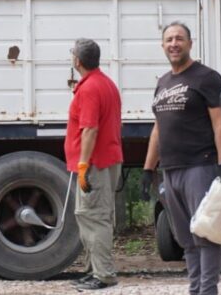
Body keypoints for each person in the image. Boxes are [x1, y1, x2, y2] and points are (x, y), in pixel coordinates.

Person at [141, 22, 221, 295]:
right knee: (186, 238)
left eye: (179, 39)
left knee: (206, 234)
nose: (174, 44)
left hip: (199, 165)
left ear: (190, 43)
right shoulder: (162, 82)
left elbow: (220, 124)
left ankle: (208, 291)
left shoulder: (207, 78)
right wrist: (148, 169)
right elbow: (158, 129)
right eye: (169, 39)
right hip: (171, 169)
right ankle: (195, 290)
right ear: (162, 45)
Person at [65, 38, 123, 291]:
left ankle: (103, 275)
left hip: (94, 164)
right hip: (105, 159)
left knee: (94, 217)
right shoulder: (106, 83)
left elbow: (89, 129)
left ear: (78, 61)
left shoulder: (89, 88)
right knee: (91, 216)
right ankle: (93, 271)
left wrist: (82, 165)